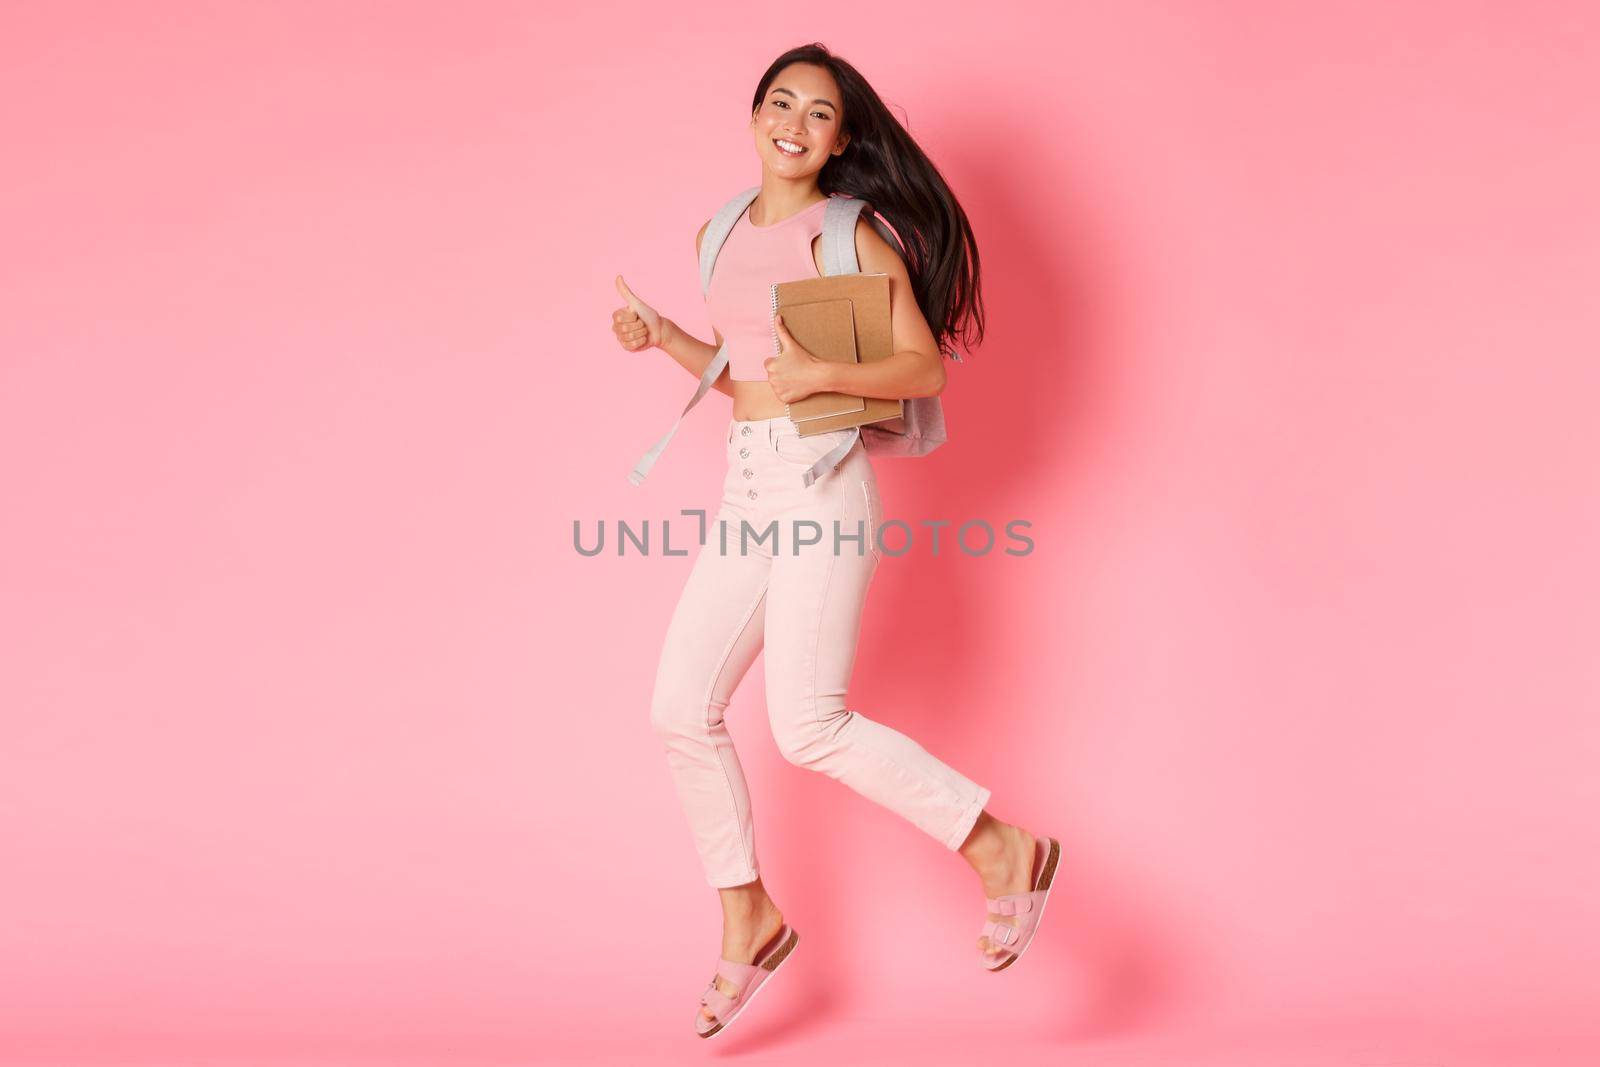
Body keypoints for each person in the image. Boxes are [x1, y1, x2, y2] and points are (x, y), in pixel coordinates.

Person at [610, 44, 1061, 1038]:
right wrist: (662, 338)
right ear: (755, 113)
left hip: (822, 482)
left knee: (807, 723)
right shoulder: (719, 230)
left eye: (819, 114)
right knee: (679, 705)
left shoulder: (854, 233)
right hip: (747, 479)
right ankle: (748, 913)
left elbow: (922, 370)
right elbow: (741, 375)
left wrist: (822, 380)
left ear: (843, 138)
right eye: (782, 103)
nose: (795, 124)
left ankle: (999, 848)